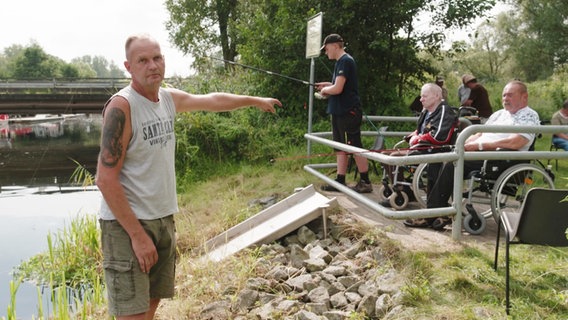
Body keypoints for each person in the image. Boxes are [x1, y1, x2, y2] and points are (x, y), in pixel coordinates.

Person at [95, 34, 281, 319]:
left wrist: (255, 100)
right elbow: (105, 179)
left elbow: (212, 100)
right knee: (131, 313)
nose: (152, 65)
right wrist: (138, 236)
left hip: (162, 218)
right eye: (142, 60)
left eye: (157, 57)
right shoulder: (123, 107)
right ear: (128, 67)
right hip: (128, 225)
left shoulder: (167, 99)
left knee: (151, 305)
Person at [404, 80, 540, 230]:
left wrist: (480, 146)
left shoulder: (529, 115)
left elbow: (517, 142)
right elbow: (480, 133)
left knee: (451, 164)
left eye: (510, 95)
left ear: (524, 97)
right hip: (479, 153)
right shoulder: (499, 114)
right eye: (504, 95)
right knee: (437, 158)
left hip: (499, 158)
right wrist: (463, 143)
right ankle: (438, 210)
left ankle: (432, 214)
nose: (505, 99)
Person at [379, 83, 458, 228]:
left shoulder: (444, 111)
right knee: (386, 156)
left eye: (424, 96)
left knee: (393, 158)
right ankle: (404, 190)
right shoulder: (426, 111)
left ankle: (427, 210)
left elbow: (440, 136)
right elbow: (420, 130)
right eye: (421, 96)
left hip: (435, 150)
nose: (421, 99)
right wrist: (413, 136)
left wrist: (420, 139)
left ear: (436, 96)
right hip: (422, 148)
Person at [315, 33, 372, 193]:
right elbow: (339, 85)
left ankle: (366, 182)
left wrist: (325, 90)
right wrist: (327, 85)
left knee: (354, 146)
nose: (326, 53)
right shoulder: (340, 62)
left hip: (348, 112)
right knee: (340, 147)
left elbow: (338, 88)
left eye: (326, 49)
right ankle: (340, 181)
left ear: (335, 45)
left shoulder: (346, 61)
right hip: (340, 111)